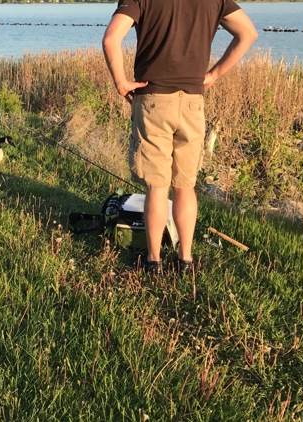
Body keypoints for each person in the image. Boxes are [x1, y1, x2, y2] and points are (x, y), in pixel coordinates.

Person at [102, 0, 258, 274]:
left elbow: (111, 39)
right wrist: (212, 75)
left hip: (152, 99)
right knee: (185, 186)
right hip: (192, 101)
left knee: (157, 186)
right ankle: (185, 260)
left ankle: (154, 261)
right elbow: (248, 33)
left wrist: (120, 82)